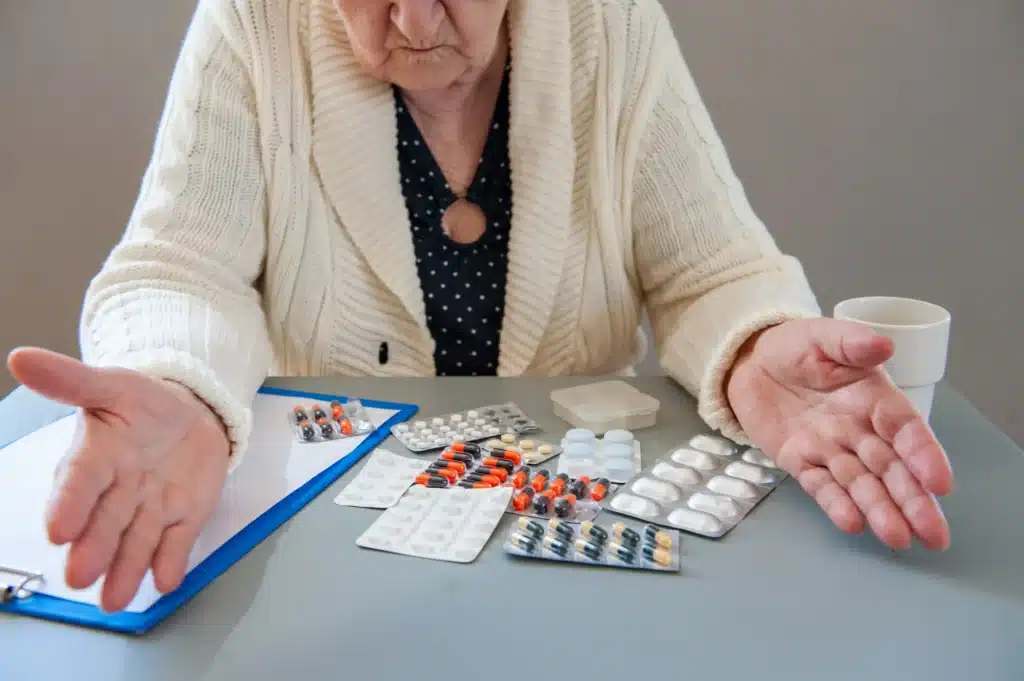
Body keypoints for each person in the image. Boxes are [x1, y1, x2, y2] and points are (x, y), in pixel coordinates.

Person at [6, 0, 953, 613]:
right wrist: (180, 384)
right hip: (322, 562)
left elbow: (711, 270)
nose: (414, 17)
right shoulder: (251, 22)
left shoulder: (612, 25)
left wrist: (756, 348)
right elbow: (180, 266)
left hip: (567, 548)